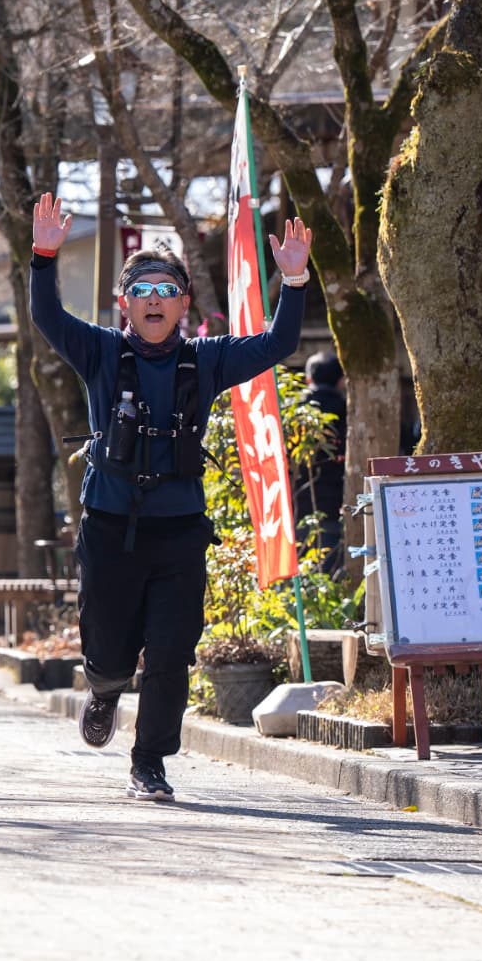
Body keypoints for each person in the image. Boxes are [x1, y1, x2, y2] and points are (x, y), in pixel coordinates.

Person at [28, 193, 309, 801]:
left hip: (180, 530)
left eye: (166, 291)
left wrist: (294, 278)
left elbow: (275, 343)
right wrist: (44, 256)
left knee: (171, 652)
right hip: (108, 524)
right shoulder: (102, 352)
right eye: (142, 291)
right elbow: (48, 318)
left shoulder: (205, 360)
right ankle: (103, 689)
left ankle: (149, 763)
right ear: (123, 305)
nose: (154, 300)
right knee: (108, 649)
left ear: (184, 304)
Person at [298, 350, 348, 575]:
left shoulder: (293, 413)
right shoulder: (348, 412)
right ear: (341, 381)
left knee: (300, 569)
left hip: (297, 503)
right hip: (335, 501)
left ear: (309, 379)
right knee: (330, 569)